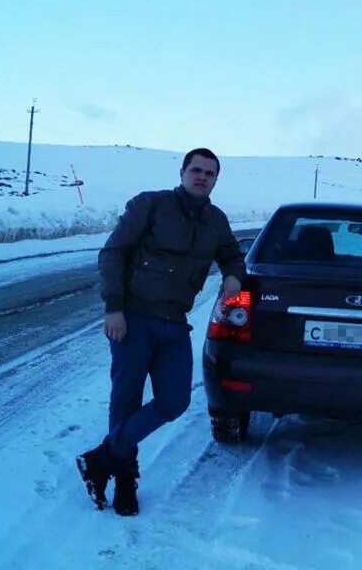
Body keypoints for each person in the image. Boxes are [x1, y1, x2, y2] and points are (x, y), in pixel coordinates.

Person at [76, 148, 245, 516]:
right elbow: (113, 254)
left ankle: (100, 458)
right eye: (196, 170)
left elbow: (233, 255)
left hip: (174, 323)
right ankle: (124, 480)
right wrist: (114, 307)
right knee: (126, 401)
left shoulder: (216, 221)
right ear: (183, 172)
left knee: (175, 401)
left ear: (216, 180)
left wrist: (233, 274)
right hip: (133, 318)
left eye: (210, 173)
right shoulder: (150, 205)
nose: (202, 177)